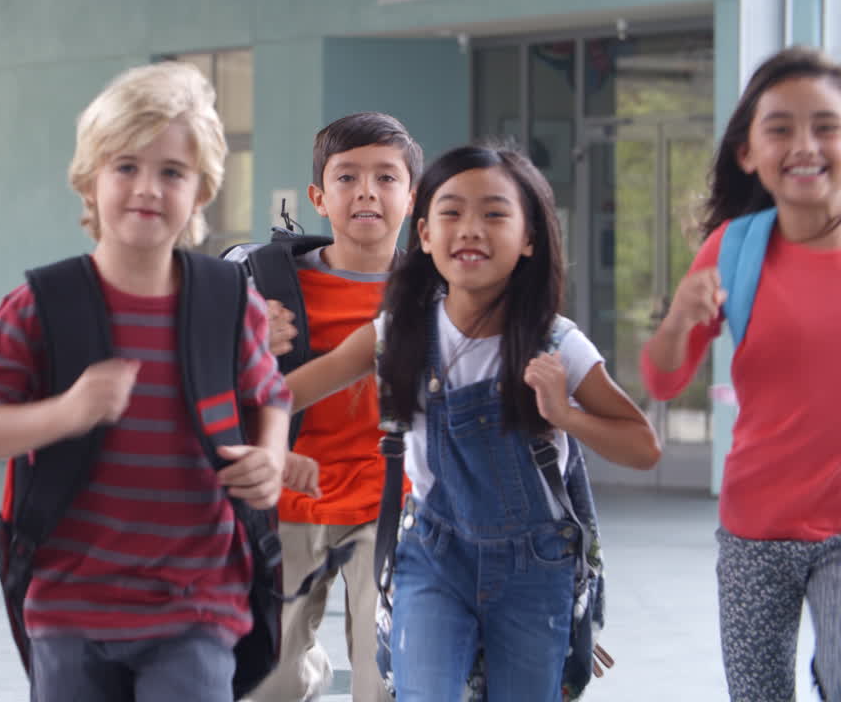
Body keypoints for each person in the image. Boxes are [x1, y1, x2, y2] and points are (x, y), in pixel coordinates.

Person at [0, 61, 293, 701]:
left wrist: (270, 456)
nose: (147, 189)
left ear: (202, 191)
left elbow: (269, 393)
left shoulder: (227, 299)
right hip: (69, 606)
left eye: (172, 172)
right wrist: (68, 413)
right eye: (125, 166)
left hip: (198, 604)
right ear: (89, 179)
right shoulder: (40, 305)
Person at [288, 144, 659, 701]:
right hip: (431, 557)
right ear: (427, 235)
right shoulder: (399, 333)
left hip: (537, 569)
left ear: (529, 238)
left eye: (494, 213)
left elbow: (642, 447)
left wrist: (564, 415)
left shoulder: (556, 341)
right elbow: (285, 394)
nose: (471, 228)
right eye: (452, 212)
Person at [641, 46, 841, 701]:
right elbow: (665, 380)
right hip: (755, 525)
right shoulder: (735, 247)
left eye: (826, 126)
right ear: (748, 152)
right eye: (780, 128)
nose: (805, 145)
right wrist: (677, 322)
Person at [240, 111, 422, 702]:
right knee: (276, 680)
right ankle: (309, 676)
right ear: (318, 197)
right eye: (347, 178)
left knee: (384, 678)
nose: (367, 190)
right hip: (291, 502)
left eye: (386, 178)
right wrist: (246, 341)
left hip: (393, 505)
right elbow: (204, 377)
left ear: (412, 198)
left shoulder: (441, 293)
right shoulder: (265, 284)